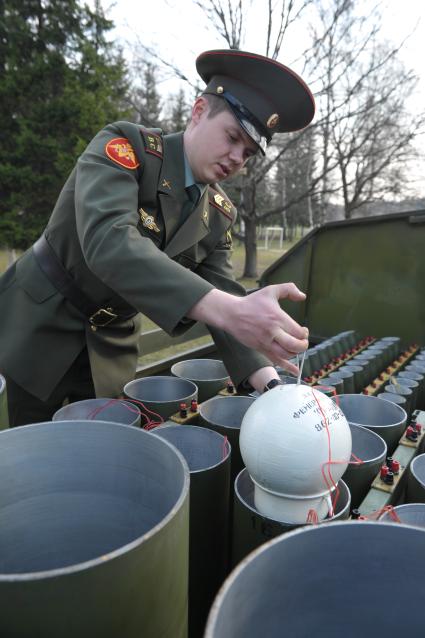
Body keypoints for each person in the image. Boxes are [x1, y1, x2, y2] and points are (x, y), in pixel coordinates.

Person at [0, 48, 315, 427]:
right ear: (199, 111)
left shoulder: (218, 213)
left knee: (93, 450)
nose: (236, 158)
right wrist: (230, 309)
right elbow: (109, 241)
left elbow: (224, 295)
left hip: (110, 345)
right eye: (232, 137)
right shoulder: (126, 148)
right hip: (41, 322)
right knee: (29, 451)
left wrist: (271, 383)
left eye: (248, 153)